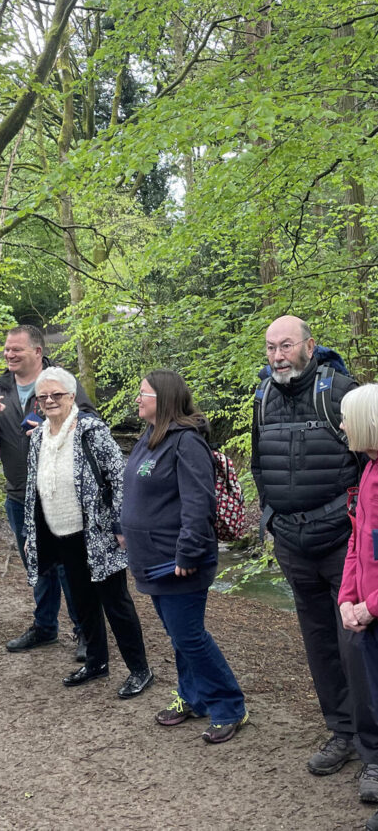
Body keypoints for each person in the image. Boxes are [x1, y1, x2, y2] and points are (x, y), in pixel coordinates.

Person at [252, 316, 378, 794]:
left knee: (359, 647)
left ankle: (374, 753)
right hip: (291, 541)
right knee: (320, 644)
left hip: (342, 544)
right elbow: (259, 462)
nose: (278, 356)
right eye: (270, 348)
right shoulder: (263, 398)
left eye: (286, 346)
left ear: (309, 346)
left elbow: (366, 455)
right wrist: (270, 517)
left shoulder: (339, 392)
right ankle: (341, 731)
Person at [120, 369, 248, 744]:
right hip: (151, 558)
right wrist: (122, 528)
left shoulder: (186, 442)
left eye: (143, 393)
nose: (137, 400)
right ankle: (193, 697)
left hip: (179, 560)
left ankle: (229, 705)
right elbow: (134, 490)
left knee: (190, 636)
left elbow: (198, 504)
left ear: (164, 399)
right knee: (179, 636)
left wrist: (188, 551)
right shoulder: (150, 437)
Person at [23, 367, 152, 695]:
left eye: (57, 395)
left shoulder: (91, 431)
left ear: (71, 397)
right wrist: (30, 535)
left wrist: (121, 526)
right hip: (59, 533)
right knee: (81, 603)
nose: (49, 401)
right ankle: (96, 662)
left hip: (97, 534)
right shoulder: (38, 437)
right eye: (43, 396)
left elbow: (119, 478)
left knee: (115, 602)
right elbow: (31, 490)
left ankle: (139, 670)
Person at [0, 325, 91, 658]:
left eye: (16, 350)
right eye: (6, 349)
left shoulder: (62, 383)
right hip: (20, 495)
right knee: (37, 565)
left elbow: (91, 424)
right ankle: (45, 627)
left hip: (60, 494)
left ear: (37, 352)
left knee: (70, 567)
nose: (8, 354)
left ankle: (86, 632)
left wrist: (55, 427)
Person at [338, 385, 378, 831]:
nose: (343, 425)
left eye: (349, 417)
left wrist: (371, 606)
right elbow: (358, 539)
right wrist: (347, 597)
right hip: (367, 612)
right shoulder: (368, 468)